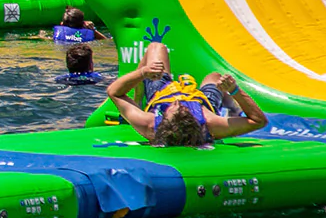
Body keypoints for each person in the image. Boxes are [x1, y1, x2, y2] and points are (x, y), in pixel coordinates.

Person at [105, 42, 267, 147]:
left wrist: (142, 73)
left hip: (162, 94)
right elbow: (258, 121)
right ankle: (232, 108)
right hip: (202, 102)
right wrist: (234, 90)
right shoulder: (211, 124)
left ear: (162, 119)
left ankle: (138, 98)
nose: (179, 101)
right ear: (196, 119)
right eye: (183, 107)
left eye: (175, 106)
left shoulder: (148, 124)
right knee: (215, 77)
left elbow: (114, 92)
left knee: (156, 48)